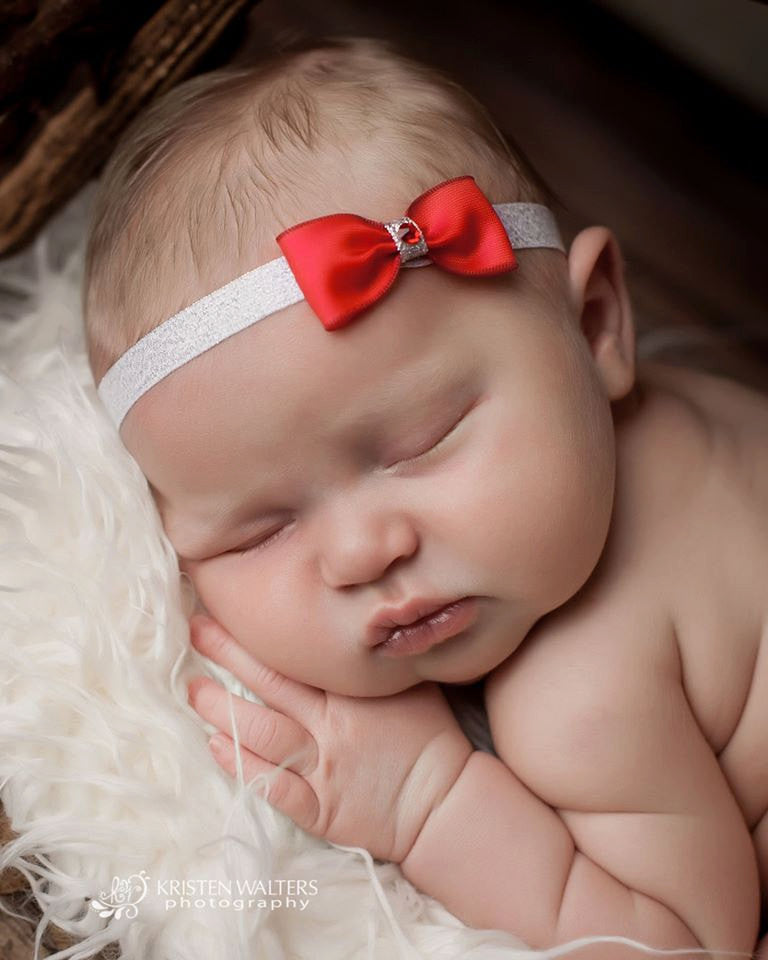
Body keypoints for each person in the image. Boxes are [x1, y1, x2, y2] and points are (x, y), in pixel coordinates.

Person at [82, 34, 768, 959]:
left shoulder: (580, 696)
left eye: (423, 441)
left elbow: (691, 943)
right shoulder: (687, 420)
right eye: (261, 528)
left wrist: (428, 801)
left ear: (596, 324)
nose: (366, 553)